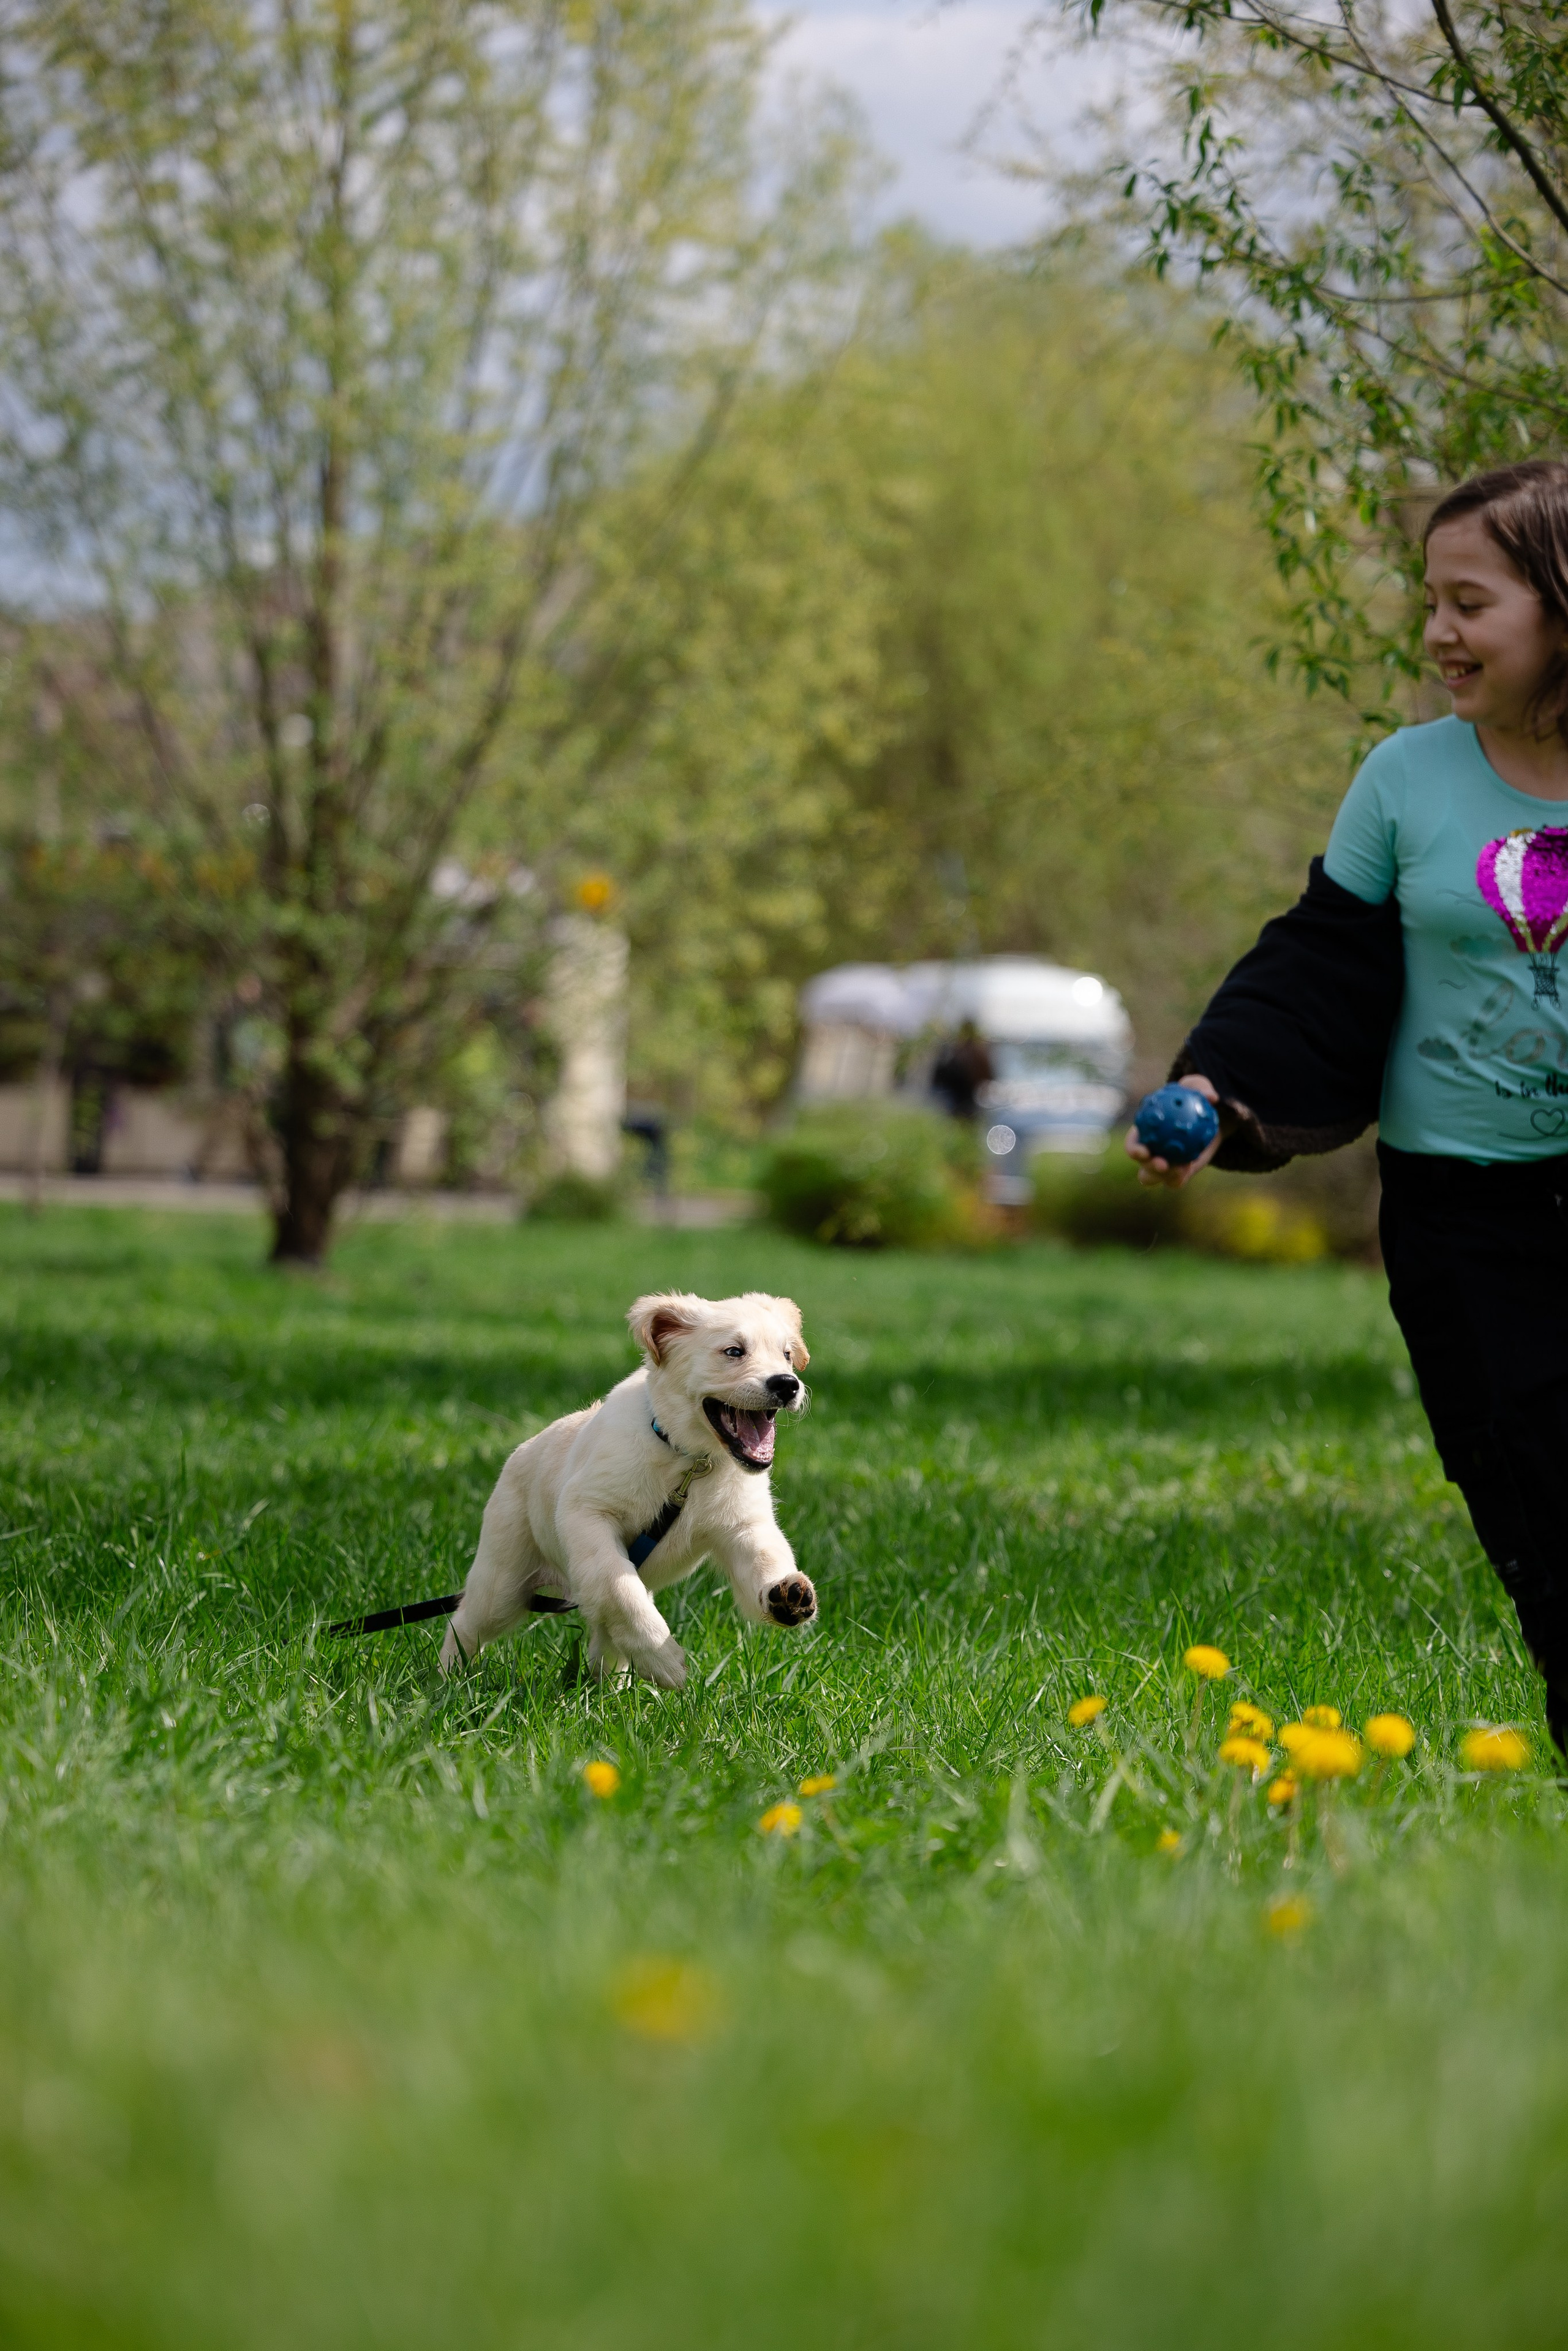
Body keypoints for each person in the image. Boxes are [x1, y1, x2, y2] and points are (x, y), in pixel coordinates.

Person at [1128, 459, 1568, 1754]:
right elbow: (1316, 965)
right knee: (1533, 1499)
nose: (1436, 632)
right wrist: (1218, 1088)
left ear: (1556, 603)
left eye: (1468, 602)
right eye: (1429, 601)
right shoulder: (1405, 780)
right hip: (1462, 1222)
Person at [931, 1019, 993, 1120]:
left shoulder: (970, 1051)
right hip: (957, 1099)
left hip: (966, 1099)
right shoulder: (961, 1050)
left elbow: (987, 1077)